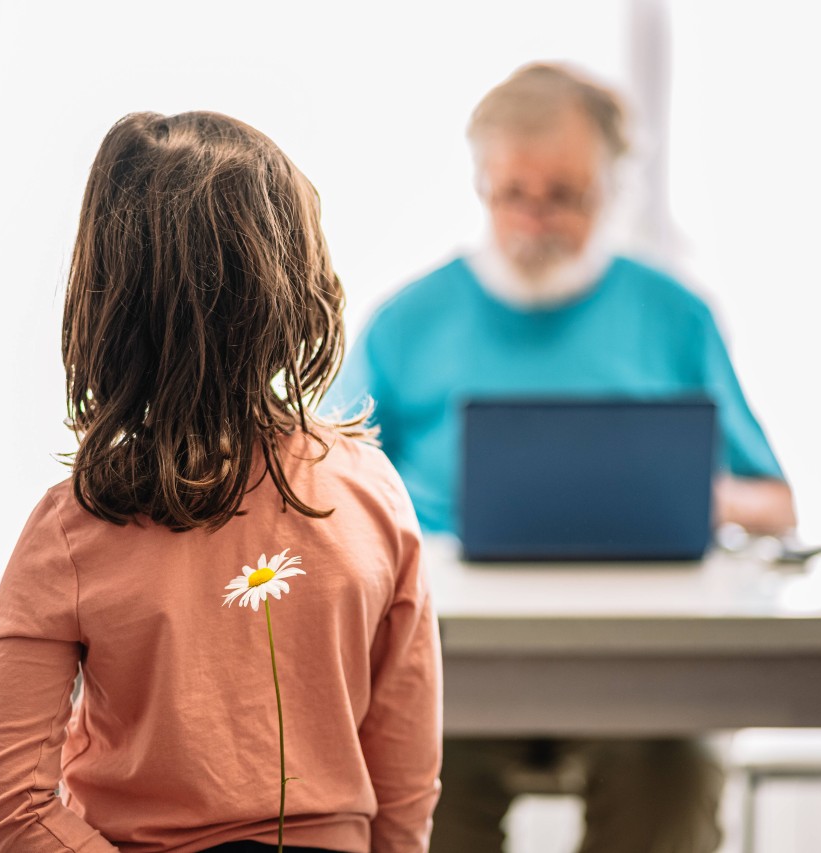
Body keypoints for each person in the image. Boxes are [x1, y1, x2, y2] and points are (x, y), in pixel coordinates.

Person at [324, 63, 796, 852]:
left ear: (610, 192)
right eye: (514, 193)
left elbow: (774, 504)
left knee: (673, 781)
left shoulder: (675, 315)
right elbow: (320, 490)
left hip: (642, 671)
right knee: (410, 799)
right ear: (481, 185)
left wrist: (691, 496)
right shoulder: (407, 321)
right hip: (450, 670)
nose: (534, 218)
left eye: (564, 195)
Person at [0, 111, 442, 853]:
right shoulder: (370, 491)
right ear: (297, 288)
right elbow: (404, 788)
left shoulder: (75, 528)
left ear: (111, 305)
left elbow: (4, 807)